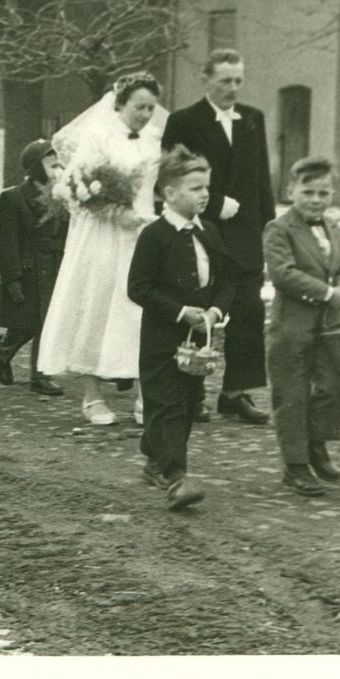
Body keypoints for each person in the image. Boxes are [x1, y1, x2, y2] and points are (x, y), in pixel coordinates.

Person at [37, 73, 165, 425]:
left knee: (140, 312)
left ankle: (145, 394)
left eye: (150, 108)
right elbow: (74, 188)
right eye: (138, 106)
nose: (144, 114)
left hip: (143, 233)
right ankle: (92, 395)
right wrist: (112, 211)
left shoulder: (155, 139)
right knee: (97, 308)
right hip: (103, 235)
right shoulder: (97, 137)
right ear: (120, 104)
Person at [161, 49, 275, 426]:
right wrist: (211, 207)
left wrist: (271, 231)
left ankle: (235, 392)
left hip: (245, 233)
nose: (233, 88)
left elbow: (262, 181)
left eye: (238, 80)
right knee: (196, 310)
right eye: (225, 80)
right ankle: (189, 392)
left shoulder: (253, 120)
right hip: (200, 228)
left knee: (249, 311)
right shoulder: (184, 122)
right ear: (205, 79)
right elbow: (170, 179)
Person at [128, 146, 238, 511]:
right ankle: (177, 479)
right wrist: (179, 312)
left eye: (206, 187)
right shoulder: (154, 236)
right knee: (167, 404)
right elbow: (139, 287)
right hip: (162, 338)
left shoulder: (210, 232)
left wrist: (216, 310)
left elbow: (226, 279)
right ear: (169, 193)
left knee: (188, 402)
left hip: (199, 341)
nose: (204, 194)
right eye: (194, 188)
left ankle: (154, 458)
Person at [263, 156, 340, 498]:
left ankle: (317, 443)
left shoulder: (332, 227)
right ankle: (296, 465)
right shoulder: (279, 229)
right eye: (308, 192)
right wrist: (328, 292)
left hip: (328, 326)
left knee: (336, 383)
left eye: (323, 192)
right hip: (292, 326)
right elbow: (283, 274)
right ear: (291, 191)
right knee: (292, 394)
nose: (316, 199)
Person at [0, 140, 69, 395]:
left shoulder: (62, 196)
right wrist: (11, 278)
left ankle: (40, 375)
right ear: (35, 168)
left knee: (47, 324)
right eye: (51, 165)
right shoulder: (13, 198)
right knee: (25, 324)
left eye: (59, 165)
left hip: (54, 267)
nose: (58, 171)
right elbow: (7, 242)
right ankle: (3, 352)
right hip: (28, 270)